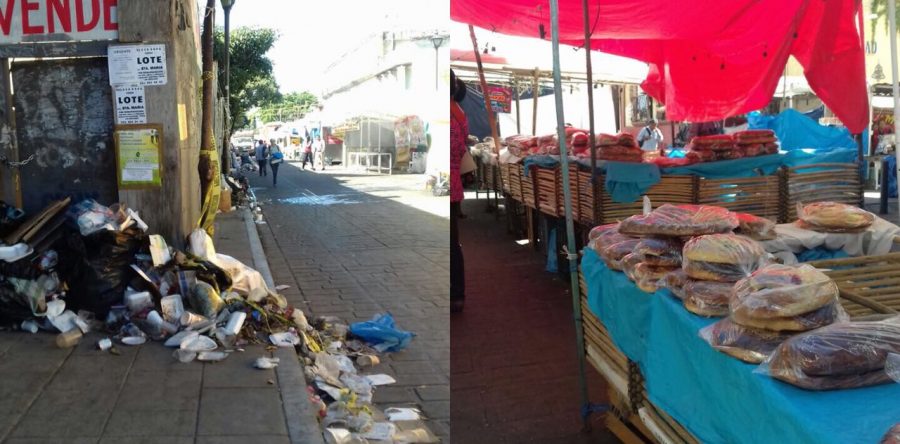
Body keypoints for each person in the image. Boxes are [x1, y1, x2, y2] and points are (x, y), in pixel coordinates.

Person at [450, 69, 468, 313]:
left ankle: (454, 293)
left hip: (448, 181)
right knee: (452, 242)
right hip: (453, 182)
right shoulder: (459, 112)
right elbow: (462, 146)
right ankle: (456, 294)